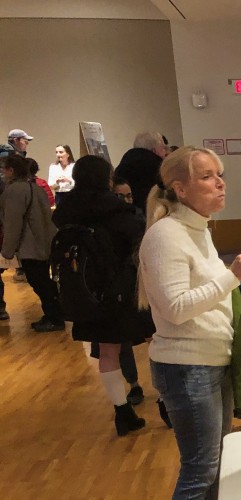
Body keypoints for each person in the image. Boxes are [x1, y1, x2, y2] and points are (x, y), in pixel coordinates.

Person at [138, 146, 241, 499]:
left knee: (216, 463)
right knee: (201, 468)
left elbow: (208, 293)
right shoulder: (165, 235)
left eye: (219, 174)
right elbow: (176, 308)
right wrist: (232, 277)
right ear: (180, 189)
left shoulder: (199, 229)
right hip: (187, 367)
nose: (220, 183)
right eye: (207, 176)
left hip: (211, 360)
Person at [53, 155, 153, 435]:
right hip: (124, 287)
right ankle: (166, 404)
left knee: (108, 352)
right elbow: (138, 238)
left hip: (86, 290)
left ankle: (122, 411)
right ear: (107, 178)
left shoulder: (66, 211)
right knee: (154, 340)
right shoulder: (116, 209)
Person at [0, 155, 64, 332]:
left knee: (39, 281)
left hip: (30, 245)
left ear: (11, 170)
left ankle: (54, 316)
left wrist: (7, 251)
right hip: (44, 242)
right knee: (43, 280)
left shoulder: (15, 191)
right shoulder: (36, 188)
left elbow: (13, 222)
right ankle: (54, 314)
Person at [114, 131, 169, 212]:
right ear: (155, 150)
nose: (166, 152)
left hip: (127, 212)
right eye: (163, 148)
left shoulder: (125, 162)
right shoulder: (156, 166)